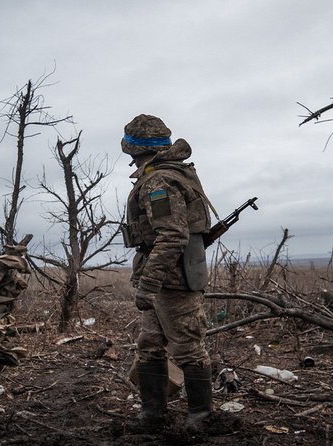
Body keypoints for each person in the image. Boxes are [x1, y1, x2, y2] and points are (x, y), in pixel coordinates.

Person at [120, 114, 215, 432]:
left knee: (188, 347)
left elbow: (173, 235)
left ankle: (201, 417)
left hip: (171, 279)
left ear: (134, 148)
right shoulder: (162, 175)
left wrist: (149, 282)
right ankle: (153, 415)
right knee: (149, 345)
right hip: (163, 276)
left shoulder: (159, 181)